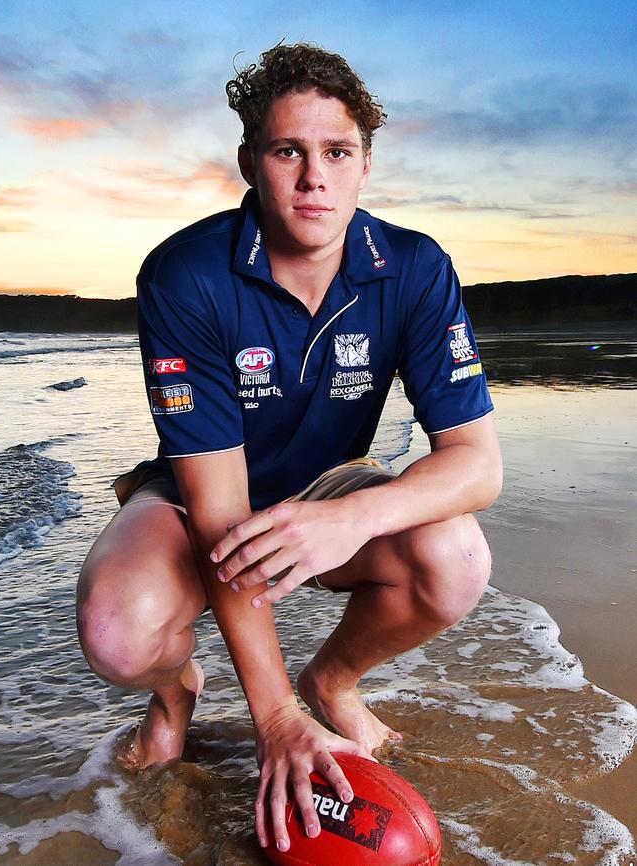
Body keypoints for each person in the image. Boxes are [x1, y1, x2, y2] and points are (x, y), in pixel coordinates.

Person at [76, 43, 502, 853]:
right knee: (116, 629)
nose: (315, 178)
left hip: (327, 489)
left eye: (337, 153)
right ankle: (175, 697)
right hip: (199, 494)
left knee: (458, 559)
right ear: (249, 162)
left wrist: (349, 520)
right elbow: (221, 515)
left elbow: (478, 466)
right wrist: (273, 719)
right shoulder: (184, 275)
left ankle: (333, 681)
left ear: (365, 164)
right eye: (288, 152)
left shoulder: (412, 267)